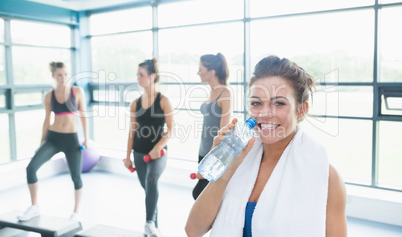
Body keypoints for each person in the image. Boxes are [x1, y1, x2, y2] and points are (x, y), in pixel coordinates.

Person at [185, 55, 347, 237]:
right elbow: (193, 230)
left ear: (301, 110)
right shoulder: (239, 158)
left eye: (278, 103)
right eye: (256, 103)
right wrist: (226, 171)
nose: (265, 113)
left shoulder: (326, 177)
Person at [18, 62, 88, 222]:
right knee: (31, 168)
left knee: (76, 177)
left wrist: (86, 138)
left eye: (65, 74)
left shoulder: (77, 91)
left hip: (71, 139)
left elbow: (84, 116)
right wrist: (41, 143)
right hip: (53, 138)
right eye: (59, 75)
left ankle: (76, 212)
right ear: (53, 76)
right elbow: (46, 120)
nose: (63, 78)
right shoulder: (49, 96)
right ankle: (34, 206)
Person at [124, 58, 174, 237]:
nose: (138, 78)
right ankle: (154, 230)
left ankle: (149, 222)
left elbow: (171, 129)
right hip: (139, 152)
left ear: (152, 76)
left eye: (141, 75)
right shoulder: (135, 103)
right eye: (138, 75)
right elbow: (132, 131)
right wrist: (128, 155)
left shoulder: (163, 101)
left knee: (152, 180)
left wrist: (158, 147)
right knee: (148, 192)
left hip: (158, 153)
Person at [192, 53, 232, 200]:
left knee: (199, 194)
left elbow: (223, 132)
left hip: (214, 155)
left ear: (212, 71)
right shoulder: (211, 92)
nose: (198, 73)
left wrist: (209, 159)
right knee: (201, 196)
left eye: (201, 69)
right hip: (203, 151)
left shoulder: (225, 93)